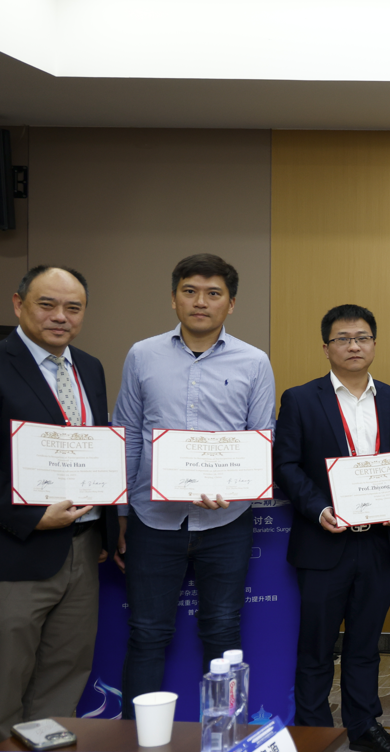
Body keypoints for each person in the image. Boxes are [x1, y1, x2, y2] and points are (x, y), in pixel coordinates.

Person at [0, 265, 117, 751]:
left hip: (81, 548)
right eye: (47, 304)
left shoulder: (90, 367)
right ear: (18, 305)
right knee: (3, 680)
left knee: (66, 669)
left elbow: (93, 450)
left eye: (73, 308)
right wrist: (32, 517)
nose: (61, 316)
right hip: (11, 551)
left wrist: (106, 526)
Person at [115, 254, 275, 714]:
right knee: (147, 632)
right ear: (174, 298)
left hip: (226, 521)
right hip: (152, 519)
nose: (200, 302)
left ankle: (222, 737)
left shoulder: (254, 361)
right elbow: (128, 435)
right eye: (190, 291)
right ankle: (139, 741)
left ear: (231, 304)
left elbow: (260, 439)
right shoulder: (142, 354)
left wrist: (235, 486)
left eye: (213, 293)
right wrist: (121, 513)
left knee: (223, 630)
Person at [273, 305, 390, 752]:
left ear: (374, 343)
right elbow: (286, 465)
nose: (354, 346)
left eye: (362, 337)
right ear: (326, 347)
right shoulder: (300, 399)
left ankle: (363, 724)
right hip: (323, 541)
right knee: (316, 645)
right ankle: (314, 733)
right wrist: (319, 509)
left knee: (365, 643)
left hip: (378, 543)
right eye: (343, 338)